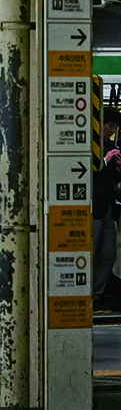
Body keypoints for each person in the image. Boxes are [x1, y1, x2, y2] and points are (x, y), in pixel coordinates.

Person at [93, 107, 121, 311]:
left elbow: (113, 179)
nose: (111, 130)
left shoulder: (109, 145)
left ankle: (96, 294)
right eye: (110, 125)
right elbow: (87, 171)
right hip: (92, 209)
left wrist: (118, 165)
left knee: (109, 253)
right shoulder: (89, 143)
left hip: (107, 209)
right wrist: (105, 160)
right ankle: (85, 295)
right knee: (90, 253)